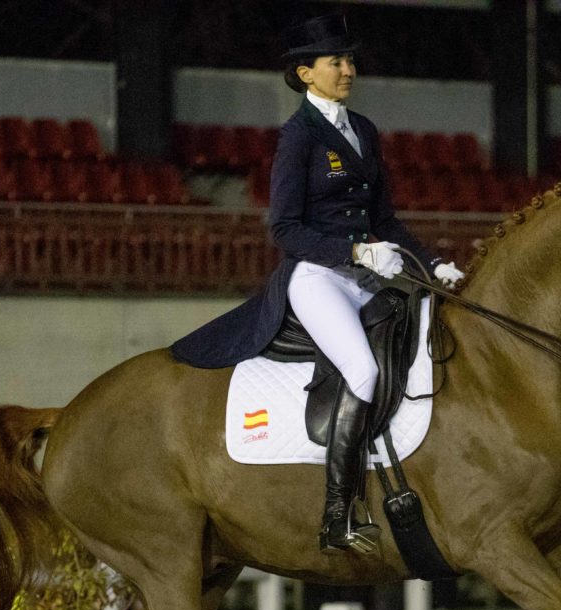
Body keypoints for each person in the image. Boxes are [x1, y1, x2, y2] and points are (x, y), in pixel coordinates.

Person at [171, 12, 464, 554]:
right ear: (306, 74)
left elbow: (387, 219)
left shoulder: (365, 130)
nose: (348, 69)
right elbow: (283, 227)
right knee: (362, 367)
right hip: (319, 277)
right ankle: (338, 513)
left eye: (351, 60)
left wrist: (431, 262)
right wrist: (353, 250)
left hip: (371, 275)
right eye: (337, 62)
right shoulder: (298, 136)